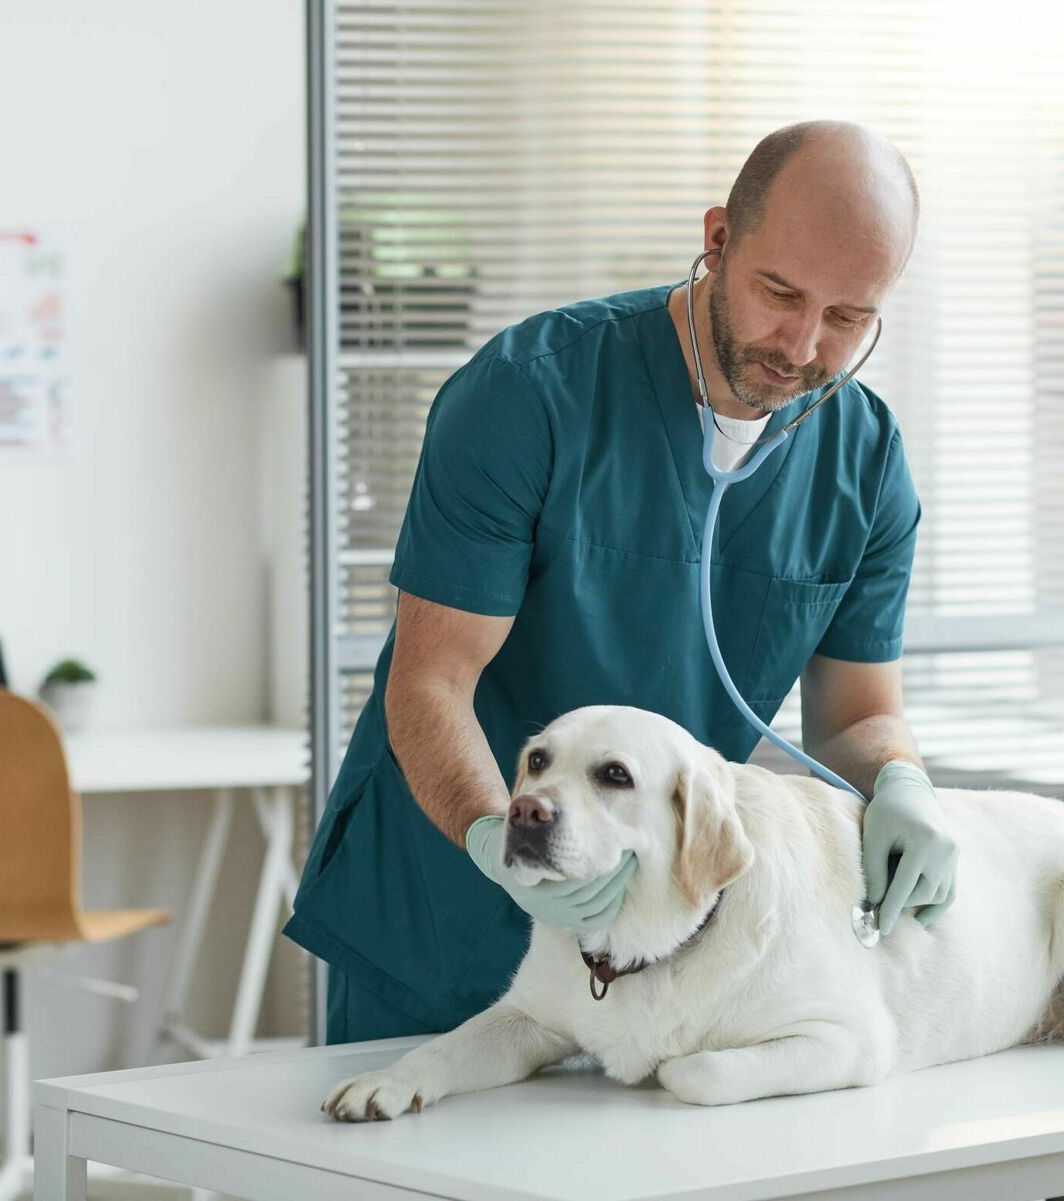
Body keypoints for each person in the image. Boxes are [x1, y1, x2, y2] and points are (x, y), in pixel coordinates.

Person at [284, 120, 958, 1045]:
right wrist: (496, 838)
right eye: (779, 292)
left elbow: (853, 718)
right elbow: (431, 680)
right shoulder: (530, 395)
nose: (803, 345)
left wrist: (904, 784)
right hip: (446, 916)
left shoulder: (866, 464)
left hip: (654, 955)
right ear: (718, 238)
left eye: (848, 317)